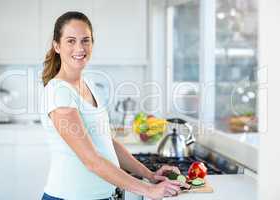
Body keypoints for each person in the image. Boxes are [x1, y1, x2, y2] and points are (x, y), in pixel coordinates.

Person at [41, 11, 188, 200]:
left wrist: (149, 175)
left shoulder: (90, 85)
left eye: (86, 40)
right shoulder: (59, 92)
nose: (80, 48)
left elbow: (108, 143)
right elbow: (92, 160)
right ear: (57, 46)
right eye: (71, 41)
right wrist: (148, 190)